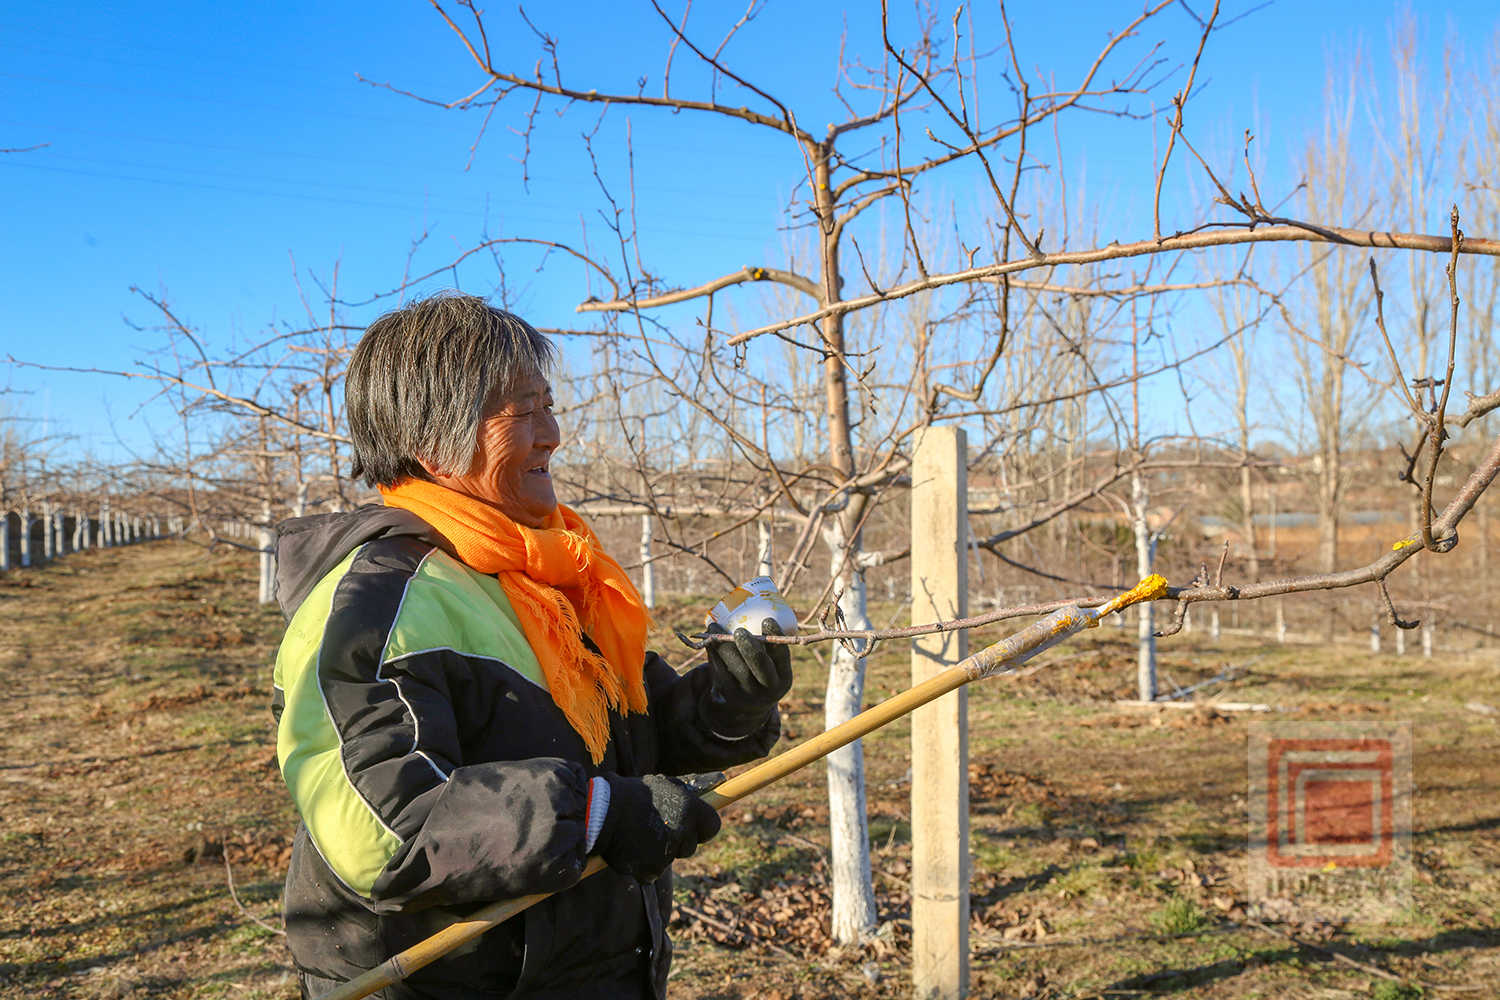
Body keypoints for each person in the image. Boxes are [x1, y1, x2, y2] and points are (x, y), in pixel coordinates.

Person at [271, 292, 792, 999]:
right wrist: (597, 815)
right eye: (522, 411)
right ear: (433, 441)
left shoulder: (545, 578)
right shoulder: (376, 604)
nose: (552, 434)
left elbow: (628, 741)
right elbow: (384, 830)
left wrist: (731, 703)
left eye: (549, 405)